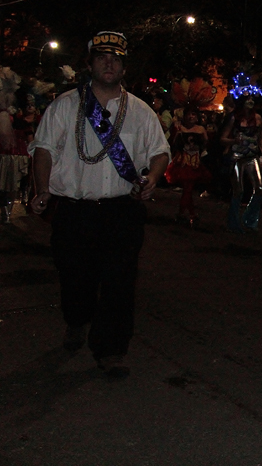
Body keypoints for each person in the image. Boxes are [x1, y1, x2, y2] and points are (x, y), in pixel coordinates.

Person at [28, 31, 170, 379]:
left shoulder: (140, 111)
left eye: (117, 59)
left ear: (124, 67)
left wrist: (152, 177)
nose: (110, 64)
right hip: (75, 211)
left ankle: (111, 349)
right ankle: (77, 319)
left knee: (120, 282)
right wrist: (42, 189)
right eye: (103, 58)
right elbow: (43, 149)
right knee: (76, 277)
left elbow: (160, 152)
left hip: (122, 211)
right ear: (89, 64)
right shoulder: (65, 105)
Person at [219, 94, 262, 232]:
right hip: (237, 156)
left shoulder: (257, 118)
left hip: (252, 156)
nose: (250, 102)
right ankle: (234, 222)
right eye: (247, 99)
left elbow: (260, 139)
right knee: (238, 190)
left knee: (259, 188)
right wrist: (234, 141)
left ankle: (250, 219)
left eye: (252, 99)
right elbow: (223, 138)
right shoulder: (235, 118)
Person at [164, 107, 211, 227]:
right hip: (182, 163)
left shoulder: (201, 129)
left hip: (195, 163)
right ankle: (190, 215)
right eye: (189, 114)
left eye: (194, 114)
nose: (191, 117)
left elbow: (206, 144)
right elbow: (172, 143)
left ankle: (186, 214)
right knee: (187, 189)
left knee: (188, 190)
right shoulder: (179, 128)